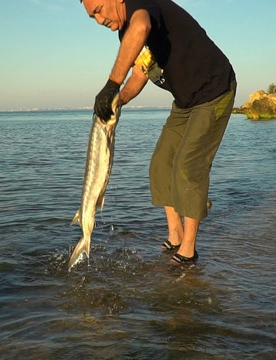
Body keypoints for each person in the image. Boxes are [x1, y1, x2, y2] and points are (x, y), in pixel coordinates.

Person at [80, 0, 236, 265]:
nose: (98, 20)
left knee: (188, 167)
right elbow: (143, 69)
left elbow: (141, 26)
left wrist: (110, 84)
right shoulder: (126, 30)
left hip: (213, 91)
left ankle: (188, 250)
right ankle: (175, 235)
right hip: (185, 101)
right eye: (92, 17)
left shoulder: (142, 7)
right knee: (161, 165)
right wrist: (119, 98)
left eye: (98, 10)